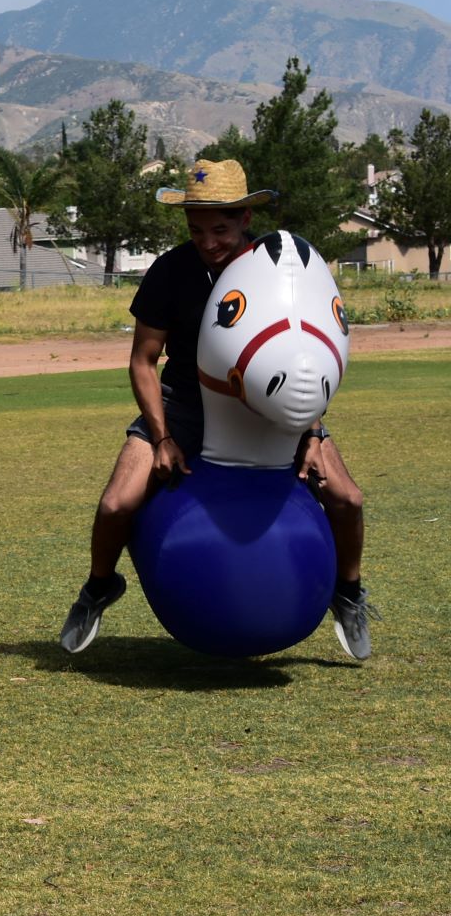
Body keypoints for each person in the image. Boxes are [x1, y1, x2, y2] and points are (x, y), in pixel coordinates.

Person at [59, 159, 375, 658]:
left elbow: (305, 359)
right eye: (197, 229)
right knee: (116, 504)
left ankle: (349, 592)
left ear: (246, 220)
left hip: (262, 408)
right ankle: (99, 587)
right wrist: (161, 437)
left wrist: (311, 433)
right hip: (181, 408)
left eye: (221, 229)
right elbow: (142, 362)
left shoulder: (275, 271)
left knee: (348, 500)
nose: (208, 241)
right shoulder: (170, 271)